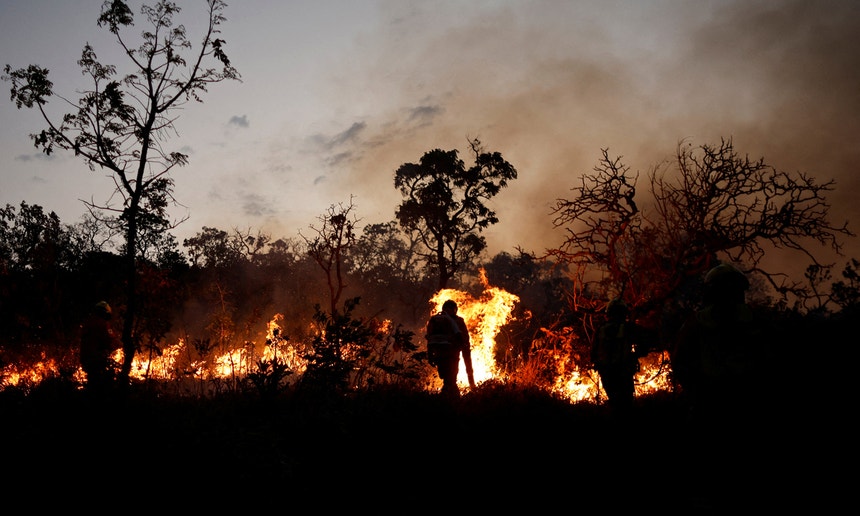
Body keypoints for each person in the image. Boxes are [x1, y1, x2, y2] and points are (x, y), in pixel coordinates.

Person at [672, 262, 766, 426]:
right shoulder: (756, 318)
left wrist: (695, 391)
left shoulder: (696, 321)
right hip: (747, 396)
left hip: (710, 398)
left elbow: (680, 361)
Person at [591, 298, 645, 414]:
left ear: (608, 313)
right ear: (624, 313)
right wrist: (636, 355)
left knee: (614, 402)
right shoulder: (628, 328)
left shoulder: (600, 329)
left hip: (606, 373)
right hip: (623, 372)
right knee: (626, 405)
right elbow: (645, 342)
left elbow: (593, 353)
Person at [425, 299, 476, 398]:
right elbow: (465, 338)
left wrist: (430, 355)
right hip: (452, 354)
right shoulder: (458, 320)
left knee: (446, 378)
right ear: (455, 309)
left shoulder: (435, 319)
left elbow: (430, 338)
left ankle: (448, 398)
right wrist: (466, 352)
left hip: (439, 354)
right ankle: (453, 400)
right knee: (451, 378)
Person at [79, 300, 120, 394]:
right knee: (101, 388)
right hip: (97, 359)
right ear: (106, 313)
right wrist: (118, 346)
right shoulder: (104, 324)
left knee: (91, 385)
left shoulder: (87, 322)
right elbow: (111, 340)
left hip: (85, 359)